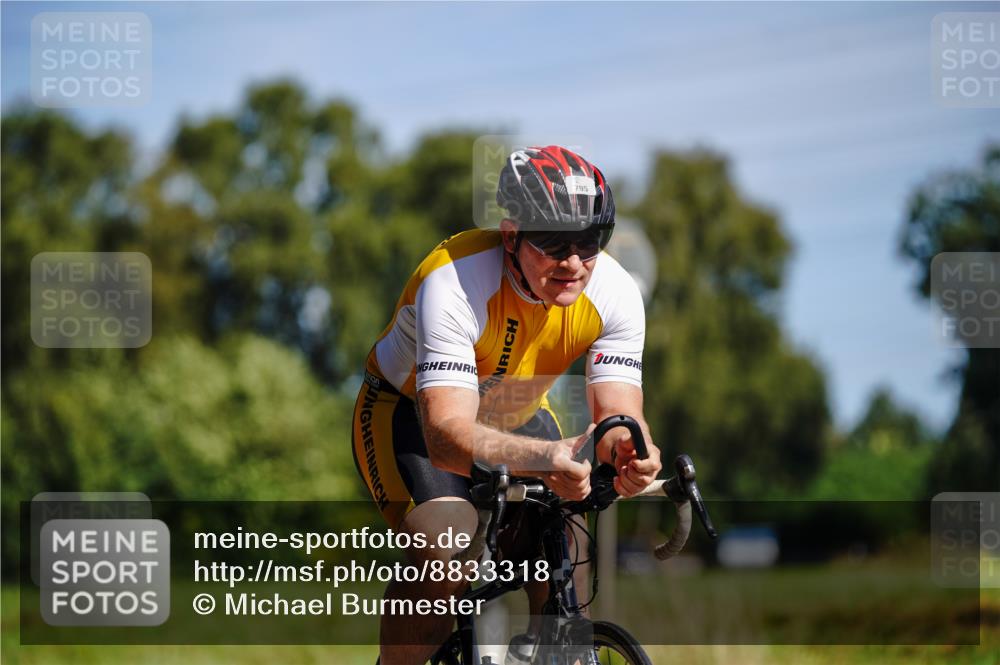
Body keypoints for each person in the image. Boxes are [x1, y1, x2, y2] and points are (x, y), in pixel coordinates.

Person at [351, 145, 662, 664]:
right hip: (408, 413)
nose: (572, 263)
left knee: (566, 547)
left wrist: (631, 452)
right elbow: (446, 432)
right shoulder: (454, 279)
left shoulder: (616, 292)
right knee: (443, 549)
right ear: (512, 233)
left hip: (515, 411)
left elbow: (616, 416)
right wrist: (542, 459)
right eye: (553, 243)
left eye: (589, 243)